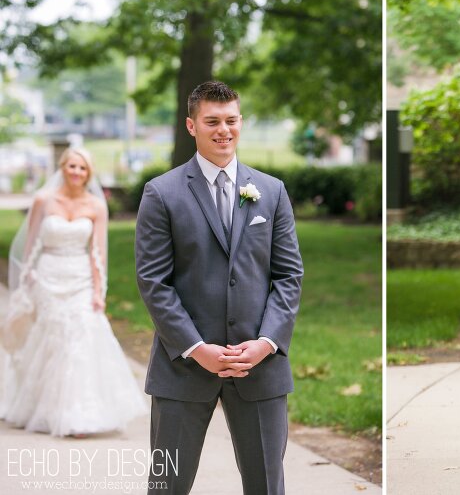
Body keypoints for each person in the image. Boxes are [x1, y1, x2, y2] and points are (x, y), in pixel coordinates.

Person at [135, 81, 303, 495]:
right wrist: (197, 348)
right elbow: (154, 281)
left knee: (267, 485)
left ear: (241, 122)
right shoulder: (162, 193)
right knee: (167, 486)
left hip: (259, 366)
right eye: (212, 121)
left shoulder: (272, 192)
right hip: (184, 366)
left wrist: (266, 343)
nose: (223, 130)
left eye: (231, 120)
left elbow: (288, 275)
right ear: (192, 125)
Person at [0, 147, 147, 436]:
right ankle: (44, 408)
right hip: (47, 276)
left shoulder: (96, 205)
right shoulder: (43, 200)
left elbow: (98, 252)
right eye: (72, 166)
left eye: (82, 168)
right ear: (62, 167)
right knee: (51, 338)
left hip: (80, 277)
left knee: (79, 336)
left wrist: (98, 290)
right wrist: (28, 279)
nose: (76, 172)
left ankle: (79, 414)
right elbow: (30, 243)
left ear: (88, 173)